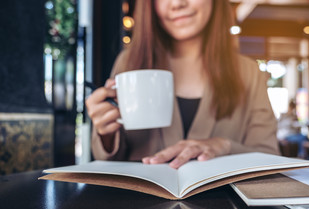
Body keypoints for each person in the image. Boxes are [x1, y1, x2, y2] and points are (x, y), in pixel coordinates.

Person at [86, 0, 279, 169]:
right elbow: (109, 160)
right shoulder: (129, 63)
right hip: (142, 206)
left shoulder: (249, 73)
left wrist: (224, 146)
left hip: (222, 207)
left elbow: (270, 159)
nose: (177, 3)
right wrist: (106, 133)